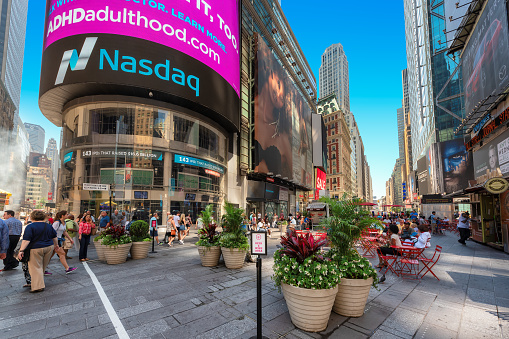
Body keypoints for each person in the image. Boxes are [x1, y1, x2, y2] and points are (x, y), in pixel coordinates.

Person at [17, 210, 58, 293]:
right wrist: (56, 245)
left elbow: (26, 240)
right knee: (42, 266)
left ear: (32, 217)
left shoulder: (30, 226)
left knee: (35, 267)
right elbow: (54, 236)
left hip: (36, 248)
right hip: (49, 247)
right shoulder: (48, 226)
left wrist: (21, 250)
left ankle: (37, 286)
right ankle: (37, 282)